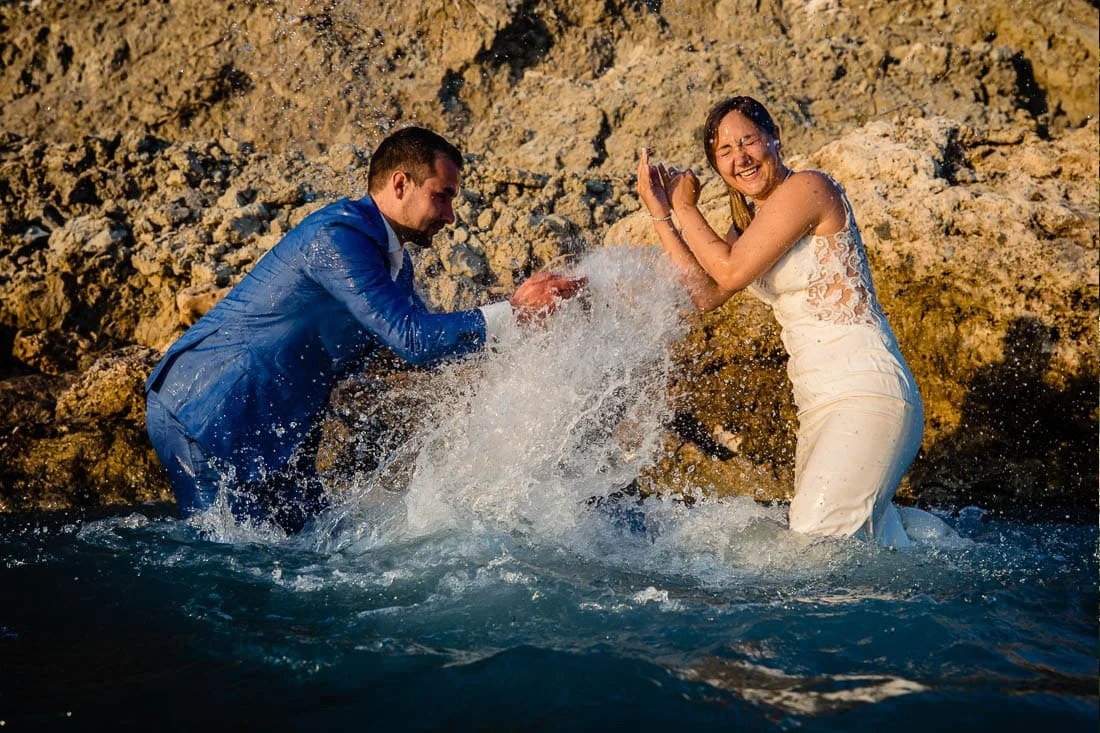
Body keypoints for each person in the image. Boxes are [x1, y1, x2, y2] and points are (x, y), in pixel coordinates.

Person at [145, 126, 584, 533]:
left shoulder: (393, 264)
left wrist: (534, 339)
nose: (451, 216)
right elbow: (412, 338)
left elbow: (426, 344)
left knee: (308, 545)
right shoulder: (339, 238)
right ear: (400, 184)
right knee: (229, 564)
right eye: (443, 196)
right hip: (206, 409)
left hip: (283, 425)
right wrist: (513, 312)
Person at [636, 96, 923, 546]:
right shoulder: (750, 223)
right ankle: (966, 567)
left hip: (866, 392)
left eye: (747, 141)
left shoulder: (809, 189)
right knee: (853, 548)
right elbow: (707, 294)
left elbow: (729, 269)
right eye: (725, 152)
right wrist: (661, 213)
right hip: (819, 407)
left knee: (814, 548)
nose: (740, 158)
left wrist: (687, 208)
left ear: (774, 138)